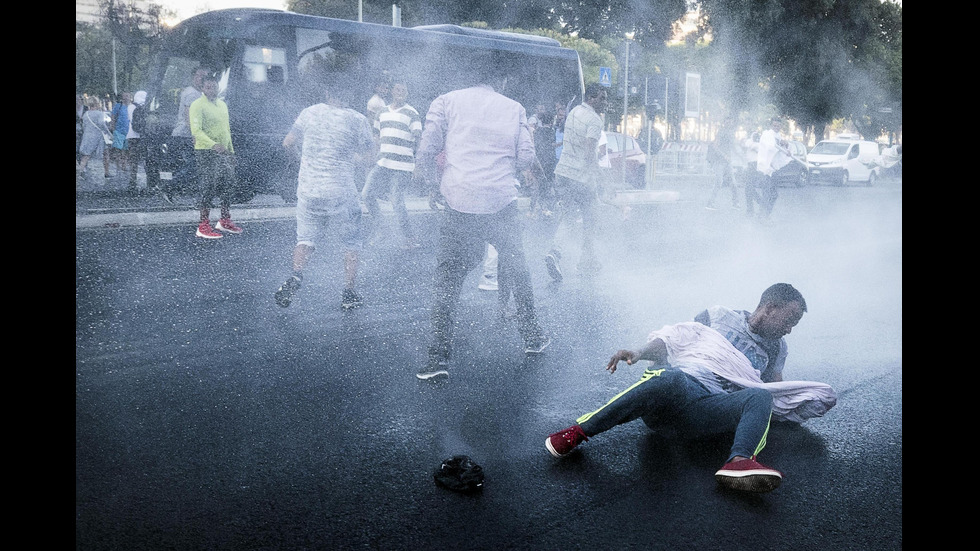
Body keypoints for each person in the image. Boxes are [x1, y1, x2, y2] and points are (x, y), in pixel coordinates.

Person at [545, 284, 836, 493]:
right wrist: (638, 352)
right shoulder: (719, 316)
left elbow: (774, 389)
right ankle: (576, 433)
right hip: (676, 393)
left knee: (758, 396)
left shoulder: (776, 348)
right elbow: (679, 337)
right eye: (790, 320)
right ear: (770, 308)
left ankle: (739, 461)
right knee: (670, 378)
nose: (790, 329)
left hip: (709, 412)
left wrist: (794, 403)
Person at [414, 59, 551, 381]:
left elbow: (428, 148)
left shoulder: (446, 101)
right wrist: (503, 170)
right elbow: (526, 157)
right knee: (518, 269)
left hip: (458, 199)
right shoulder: (514, 107)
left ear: (466, 78)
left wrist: (434, 185)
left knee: (447, 278)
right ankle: (533, 338)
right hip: (501, 201)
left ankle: (438, 358)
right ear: (500, 80)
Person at [274, 87, 376, 310]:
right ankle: (348, 293)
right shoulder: (357, 119)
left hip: (309, 190)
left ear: (327, 92)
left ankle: (296, 275)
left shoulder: (308, 112)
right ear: (348, 94)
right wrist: (353, 158)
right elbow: (370, 158)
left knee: (306, 238)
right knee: (351, 241)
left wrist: (300, 160)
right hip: (341, 190)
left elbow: (288, 142)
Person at [544, 83, 608, 282]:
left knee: (569, 215)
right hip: (580, 177)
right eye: (602, 98)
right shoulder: (595, 120)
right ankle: (586, 260)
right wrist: (601, 175)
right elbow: (589, 152)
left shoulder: (574, 112)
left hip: (562, 172)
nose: (605, 103)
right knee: (591, 217)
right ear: (591, 98)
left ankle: (555, 252)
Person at [361, 81, 423, 249]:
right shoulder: (381, 112)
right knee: (366, 194)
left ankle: (409, 238)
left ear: (407, 93)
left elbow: (418, 141)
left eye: (404, 90)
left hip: (403, 166)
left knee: (396, 201)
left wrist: (418, 165)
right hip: (383, 162)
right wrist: (371, 158)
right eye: (397, 89)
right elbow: (375, 137)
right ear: (392, 92)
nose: (400, 92)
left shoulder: (412, 113)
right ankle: (383, 228)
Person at [189, 74, 243, 239]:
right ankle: (203, 225)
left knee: (228, 184)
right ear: (203, 88)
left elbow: (227, 131)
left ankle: (224, 219)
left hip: (224, 152)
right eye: (208, 87)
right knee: (208, 186)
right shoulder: (197, 105)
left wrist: (231, 151)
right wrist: (212, 144)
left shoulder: (222, 105)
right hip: (206, 151)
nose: (212, 90)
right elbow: (196, 131)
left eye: (214, 86)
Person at [167, 66, 208, 203]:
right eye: (199, 76)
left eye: (205, 77)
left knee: (197, 165)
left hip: (185, 135)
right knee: (195, 165)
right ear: (193, 77)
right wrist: (195, 135)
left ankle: (199, 196)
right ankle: (169, 186)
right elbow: (188, 116)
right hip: (185, 135)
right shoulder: (192, 94)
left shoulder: (196, 93)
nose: (202, 79)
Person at [751, 118, 787, 219]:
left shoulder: (778, 136)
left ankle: (765, 214)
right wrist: (781, 145)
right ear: (771, 125)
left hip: (774, 170)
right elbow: (771, 147)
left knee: (774, 195)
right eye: (774, 125)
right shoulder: (767, 134)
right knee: (766, 194)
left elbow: (781, 151)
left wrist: (786, 147)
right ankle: (762, 216)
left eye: (778, 126)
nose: (776, 127)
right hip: (765, 170)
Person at [77, 96, 112, 183]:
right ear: (97, 103)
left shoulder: (86, 114)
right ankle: (107, 172)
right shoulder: (99, 113)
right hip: (98, 137)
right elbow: (101, 124)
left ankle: (80, 172)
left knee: (86, 156)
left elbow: (84, 126)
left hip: (88, 137)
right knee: (105, 154)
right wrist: (109, 133)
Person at [705, 126, 740, 210]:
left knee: (733, 183)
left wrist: (741, 156)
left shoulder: (729, 141)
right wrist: (724, 156)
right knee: (719, 182)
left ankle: (735, 203)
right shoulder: (720, 138)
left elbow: (734, 149)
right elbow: (715, 147)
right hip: (718, 163)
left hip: (727, 163)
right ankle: (710, 203)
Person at [125, 90, 153, 195]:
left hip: (131, 136)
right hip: (141, 137)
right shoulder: (143, 108)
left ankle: (133, 181)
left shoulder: (130, 107)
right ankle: (149, 182)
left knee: (133, 161)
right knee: (146, 159)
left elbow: (131, 121)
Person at [109, 92, 132, 177]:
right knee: (118, 149)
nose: (126, 97)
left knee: (126, 150)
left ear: (130, 97)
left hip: (129, 132)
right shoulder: (118, 106)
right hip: (119, 131)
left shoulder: (131, 107)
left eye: (128, 96)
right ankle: (118, 166)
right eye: (125, 96)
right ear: (122, 97)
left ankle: (124, 165)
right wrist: (113, 126)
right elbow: (113, 116)